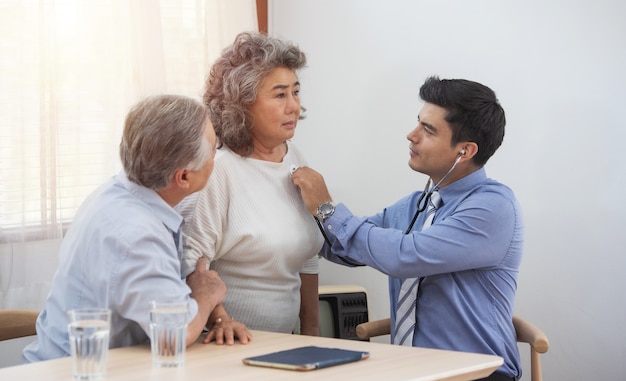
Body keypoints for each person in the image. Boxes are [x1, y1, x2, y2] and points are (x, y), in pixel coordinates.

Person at [291, 76, 523, 381]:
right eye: (418, 123)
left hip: (477, 374)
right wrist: (288, 221)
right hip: (412, 371)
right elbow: (345, 247)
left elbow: (405, 257)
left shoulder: (493, 207)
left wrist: (327, 209)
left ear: (464, 151)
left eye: (428, 130)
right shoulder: (417, 204)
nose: (411, 136)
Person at [23, 94, 247, 363]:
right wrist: (206, 295)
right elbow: (174, 334)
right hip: (77, 371)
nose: (217, 154)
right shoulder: (138, 234)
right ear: (184, 177)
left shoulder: (113, 195)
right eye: (214, 148)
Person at [177, 31, 322, 340]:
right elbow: (191, 264)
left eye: (296, 92)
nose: (294, 106)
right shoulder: (218, 170)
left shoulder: (294, 157)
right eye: (280, 95)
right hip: (226, 343)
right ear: (242, 104)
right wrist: (221, 322)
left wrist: (312, 333)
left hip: (283, 344)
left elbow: (308, 254)